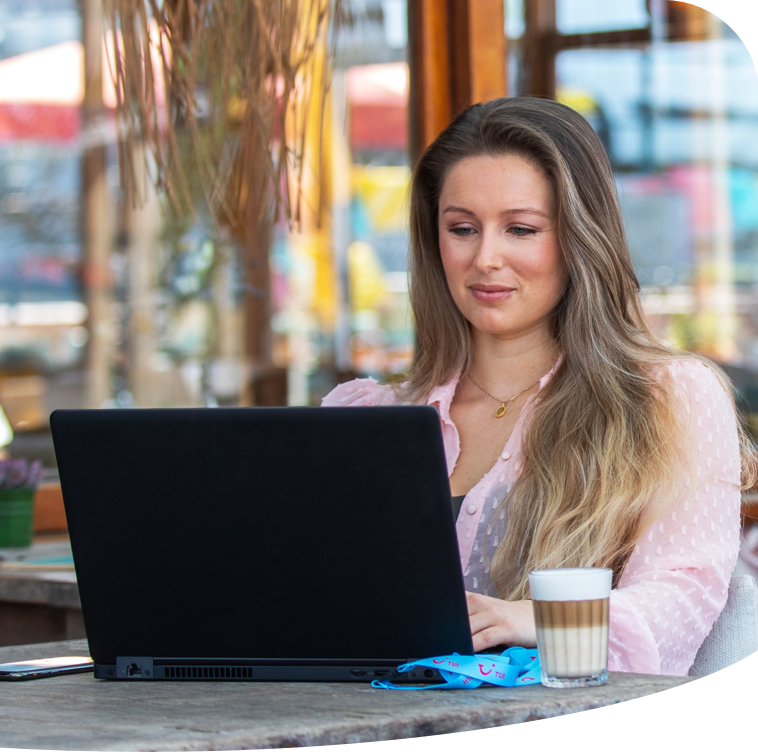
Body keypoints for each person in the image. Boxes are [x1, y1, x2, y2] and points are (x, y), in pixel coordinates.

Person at [322, 97, 756, 676]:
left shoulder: (668, 399)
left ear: (581, 237)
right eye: (462, 229)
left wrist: (536, 617)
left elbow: (682, 598)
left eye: (521, 229)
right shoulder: (367, 414)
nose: (485, 258)